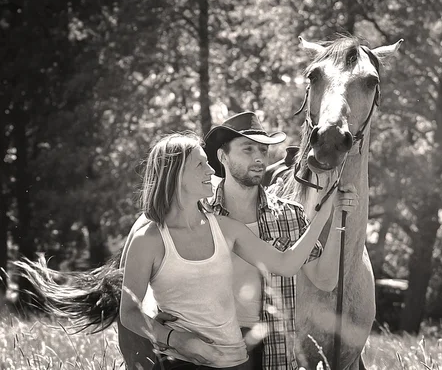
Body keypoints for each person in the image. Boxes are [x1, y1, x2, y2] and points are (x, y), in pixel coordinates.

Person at [121, 130, 356, 370]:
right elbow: (129, 312)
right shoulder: (147, 240)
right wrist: (175, 339)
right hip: (179, 360)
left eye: (263, 150)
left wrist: (326, 213)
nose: (211, 171)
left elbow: (287, 264)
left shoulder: (226, 229)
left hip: (235, 361)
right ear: (176, 174)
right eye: (201, 164)